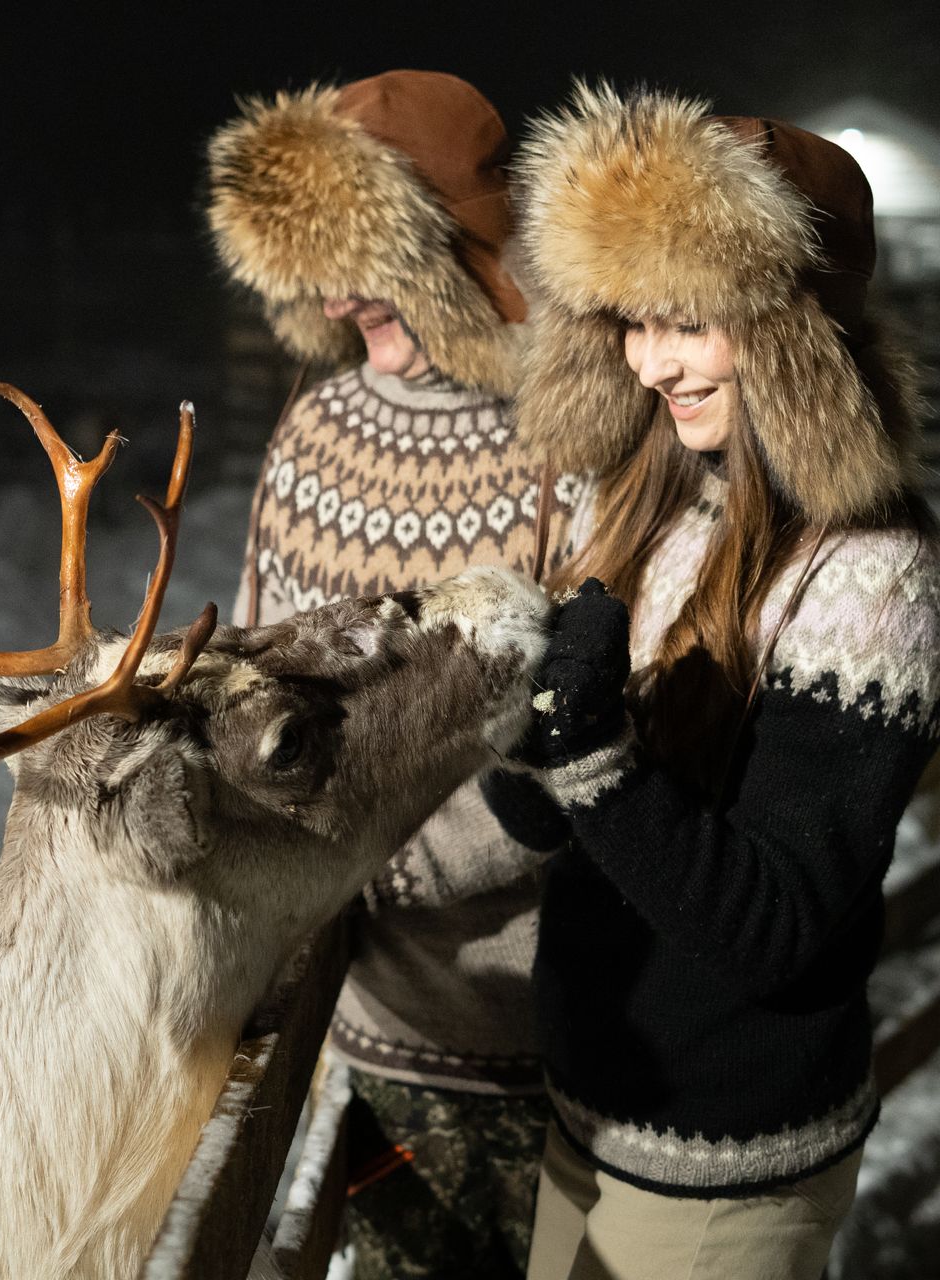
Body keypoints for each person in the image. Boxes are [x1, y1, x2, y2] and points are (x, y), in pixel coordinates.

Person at [491, 83, 940, 1280]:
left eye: (689, 320)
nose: (653, 363)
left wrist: (593, 748)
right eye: (631, 321)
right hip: (588, 1102)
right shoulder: (646, 503)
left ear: (795, 328)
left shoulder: (872, 575)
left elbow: (776, 922)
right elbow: (559, 825)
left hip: (728, 1160)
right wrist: (517, 722)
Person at [207, 69, 570, 1278]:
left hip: (548, 1019)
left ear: (457, 247)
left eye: (365, 249)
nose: (335, 288)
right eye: (312, 255)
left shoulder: (568, 439)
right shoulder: (312, 431)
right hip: (362, 1013)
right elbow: (251, 680)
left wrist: (366, 854)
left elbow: (583, 724)